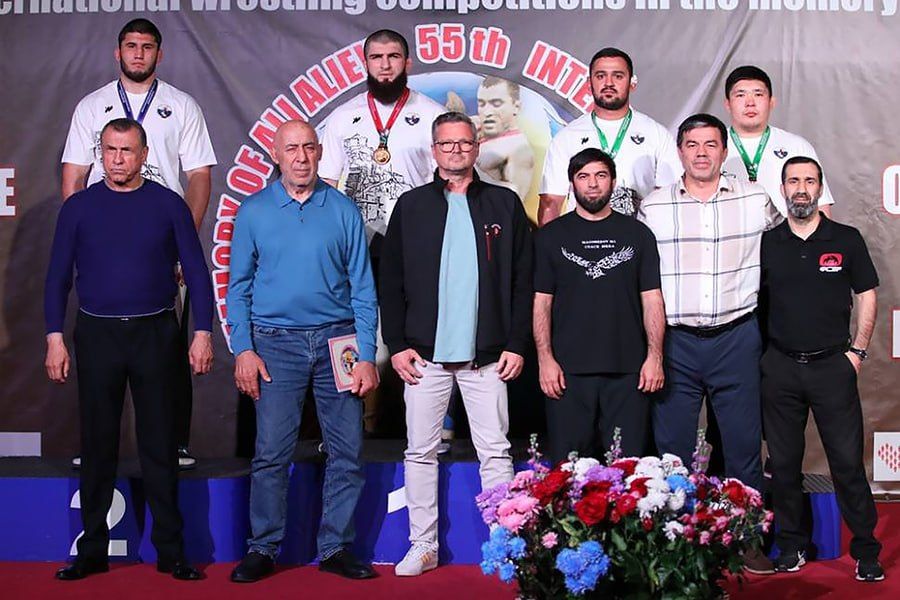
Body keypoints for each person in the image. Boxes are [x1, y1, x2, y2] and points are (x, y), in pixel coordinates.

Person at [45, 118, 213, 581]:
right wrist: (54, 336)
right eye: (110, 150)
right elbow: (57, 277)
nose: (117, 159)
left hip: (155, 334)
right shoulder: (78, 208)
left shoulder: (169, 204)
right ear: (100, 153)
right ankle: (92, 551)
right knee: (97, 444)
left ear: (144, 156)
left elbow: (197, 272)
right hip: (97, 335)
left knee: (160, 445)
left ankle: (171, 552)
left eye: (127, 151)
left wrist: (202, 332)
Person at [380, 112, 533, 577]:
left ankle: (505, 545)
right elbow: (391, 280)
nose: (456, 151)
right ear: (434, 150)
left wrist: (516, 343)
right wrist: (397, 344)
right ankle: (423, 546)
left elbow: (523, 280)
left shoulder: (504, 204)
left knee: (496, 452)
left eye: (464, 143)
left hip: (487, 357)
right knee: (419, 452)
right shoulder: (411, 206)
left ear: (476, 147)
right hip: (423, 356)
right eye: (447, 144)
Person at [226, 120, 378, 583]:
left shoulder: (344, 210)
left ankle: (336, 547)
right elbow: (238, 288)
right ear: (276, 155)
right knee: (271, 451)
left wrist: (367, 354)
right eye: (291, 148)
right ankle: (263, 547)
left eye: (309, 147)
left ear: (319, 153)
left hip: (339, 341)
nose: (301, 157)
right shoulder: (253, 211)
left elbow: (363, 288)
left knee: (347, 450)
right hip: (275, 343)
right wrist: (243, 349)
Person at [61, 18, 217, 469]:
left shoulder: (182, 105)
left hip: (162, 237)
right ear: (117, 52)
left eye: (147, 47)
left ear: (159, 54)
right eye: (130, 45)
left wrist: (182, 243)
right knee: (99, 346)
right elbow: (73, 175)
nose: (138, 53)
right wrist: (82, 235)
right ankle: (94, 445)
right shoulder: (92, 106)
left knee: (168, 344)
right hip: (106, 239)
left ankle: (176, 442)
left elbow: (199, 176)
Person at [638, 113, 781, 574]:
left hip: (736, 337)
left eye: (711, 144)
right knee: (672, 452)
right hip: (675, 342)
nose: (701, 153)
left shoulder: (756, 198)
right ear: (680, 151)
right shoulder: (654, 206)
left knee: (743, 448)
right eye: (692, 145)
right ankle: (676, 544)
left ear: (725, 150)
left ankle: (746, 540)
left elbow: (794, 240)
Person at [760, 157, 883, 582]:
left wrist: (857, 353)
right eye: (793, 180)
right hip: (780, 368)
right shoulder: (767, 243)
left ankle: (866, 550)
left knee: (847, 464)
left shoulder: (846, 239)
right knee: (784, 465)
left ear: (819, 188)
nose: (801, 188)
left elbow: (867, 294)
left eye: (809, 181)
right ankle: (791, 546)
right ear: (782, 188)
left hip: (833, 366)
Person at [319, 29, 444, 433]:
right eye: (377, 57)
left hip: (415, 244)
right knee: (351, 331)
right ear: (366, 63)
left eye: (393, 57)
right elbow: (326, 185)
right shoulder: (343, 117)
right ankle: (349, 426)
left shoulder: (432, 115)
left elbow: (447, 183)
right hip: (356, 243)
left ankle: (430, 427)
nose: (385, 65)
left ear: (408, 63)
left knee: (421, 330)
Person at [533, 148, 665, 465]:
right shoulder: (550, 237)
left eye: (600, 175)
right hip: (567, 373)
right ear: (571, 184)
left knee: (628, 470)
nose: (592, 184)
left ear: (613, 182)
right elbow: (541, 303)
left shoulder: (638, 234)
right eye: (584, 176)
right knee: (568, 471)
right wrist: (545, 360)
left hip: (629, 372)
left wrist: (655, 358)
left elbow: (652, 299)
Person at [539, 47, 681, 224]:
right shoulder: (566, 137)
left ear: (632, 83)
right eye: (600, 76)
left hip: (639, 236)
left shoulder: (657, 134)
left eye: (618, 76)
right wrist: (549, 242)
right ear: (589, 83)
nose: (609, 83)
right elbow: (550, 202)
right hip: (582, 237)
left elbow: (671, 198)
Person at [722, 65, 833, 217]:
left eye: (758, 94)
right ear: (727, 104)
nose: (750, 103)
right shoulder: (711, 148)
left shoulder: (797, 146)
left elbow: (821, 208)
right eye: (740, 95)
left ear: (771, 102)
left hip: (787, 232)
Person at [473, 76, 535, 201]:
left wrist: (470, 171)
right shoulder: (476, 126)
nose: (487, 112)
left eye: (496, 104)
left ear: (516, 107)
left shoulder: (520, 150)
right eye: (482, 104)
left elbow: (516, 199)